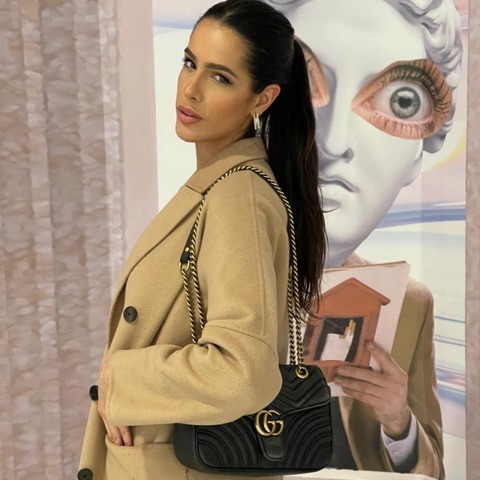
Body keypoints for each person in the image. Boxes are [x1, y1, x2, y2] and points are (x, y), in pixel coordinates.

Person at [76, 1, 326, 480]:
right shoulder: (224, 186)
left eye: (220, 78)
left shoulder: (237, 196)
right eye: (190, 63)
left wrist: (121, 377)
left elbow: (243, 372)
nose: (190, 89)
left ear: (262, 99)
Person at [276, 0, 462, 478]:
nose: (333, 142)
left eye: (403, 100)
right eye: (299, 87)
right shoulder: (207, 279)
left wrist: (398, 420)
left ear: (419, 154)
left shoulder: (410, 305)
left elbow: (431, 471)